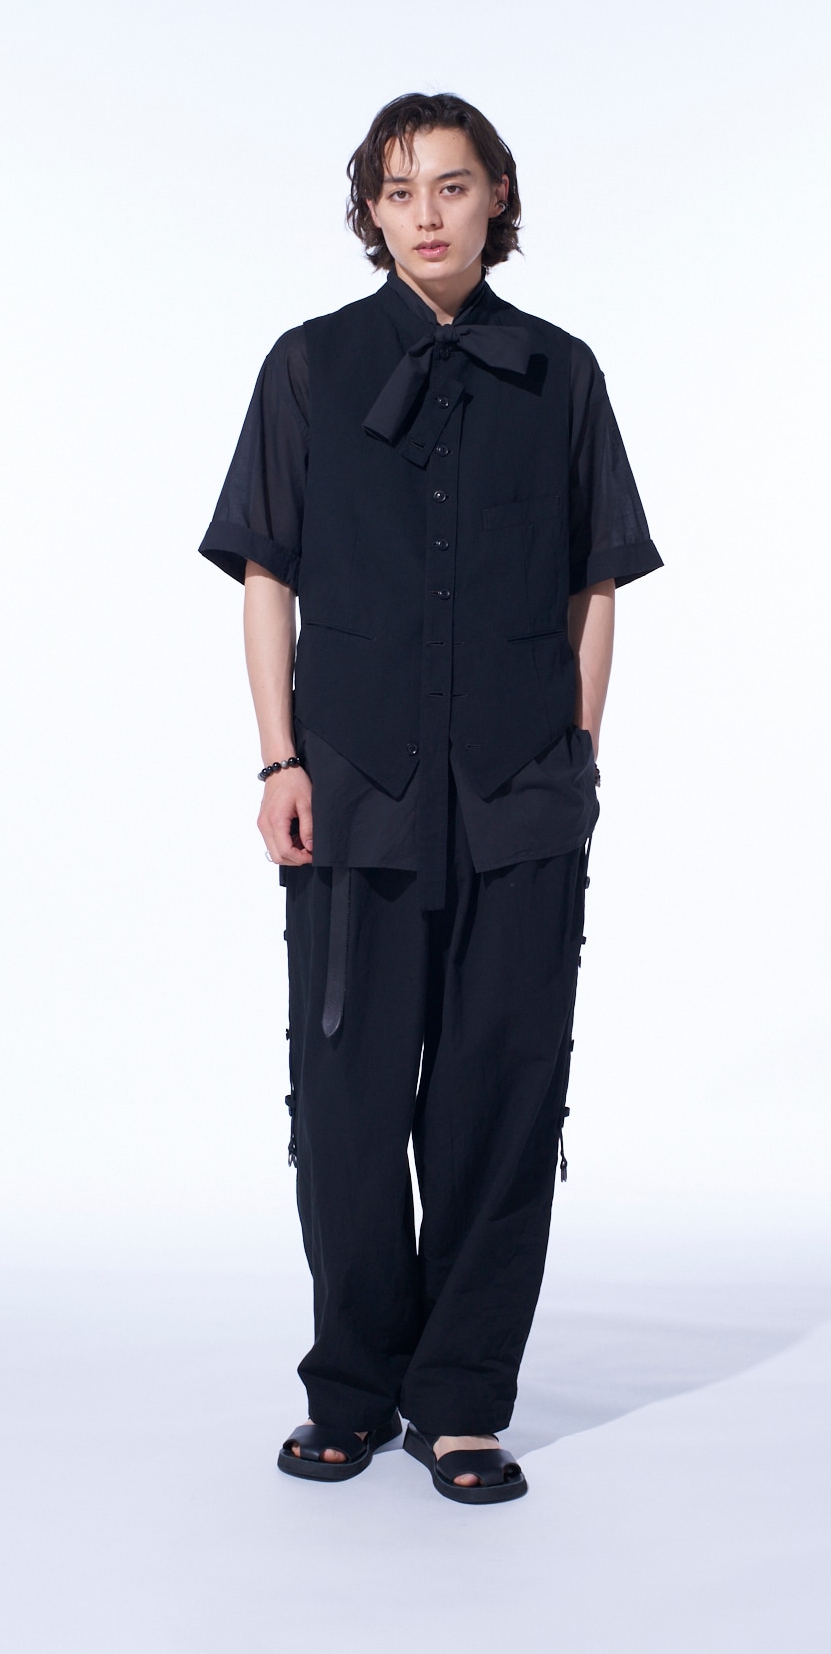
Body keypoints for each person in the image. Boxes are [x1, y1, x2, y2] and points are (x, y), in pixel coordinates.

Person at [199, 92, 661, 1504]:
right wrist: (279, 761)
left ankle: (460, 1400)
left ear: (495, 195)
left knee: (501, 1096)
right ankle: (353, 1384)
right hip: (353, 796)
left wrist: (575, 757)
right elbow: (267, 573)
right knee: (345, 1101)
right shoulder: (309, 367)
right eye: (398, 191)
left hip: (521, 799)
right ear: (370, 210)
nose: (426, 214)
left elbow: (596, 579)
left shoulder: (562, 372)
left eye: (451, 186)